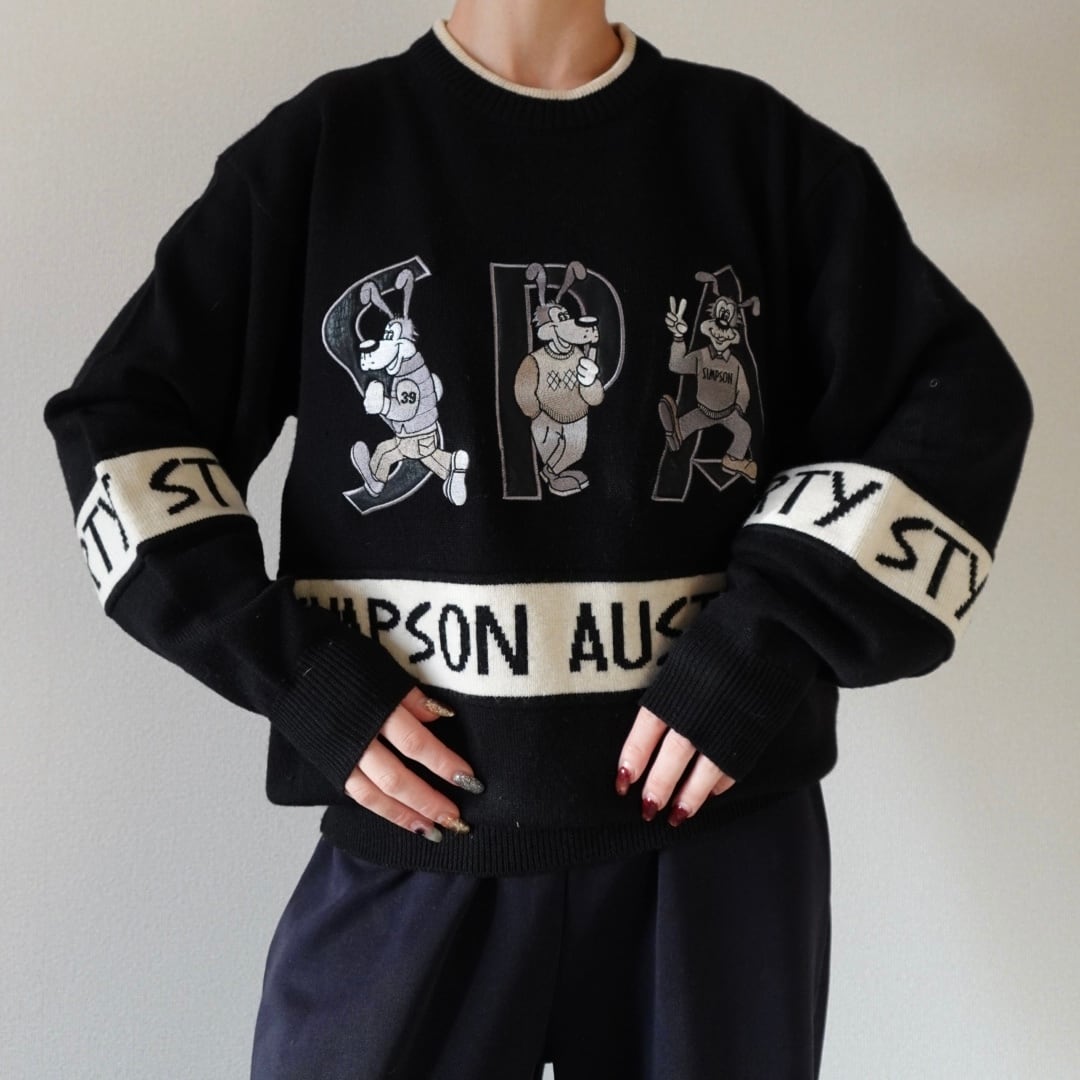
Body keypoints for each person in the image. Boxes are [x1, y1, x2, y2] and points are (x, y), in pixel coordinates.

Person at [41, 1, 1033, 1077]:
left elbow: (958, 410)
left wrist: (768, 639)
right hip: (423, 833)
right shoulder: (329, 150)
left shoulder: (760, 152)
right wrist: (300, 677)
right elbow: (123, 427)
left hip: (714, 855)